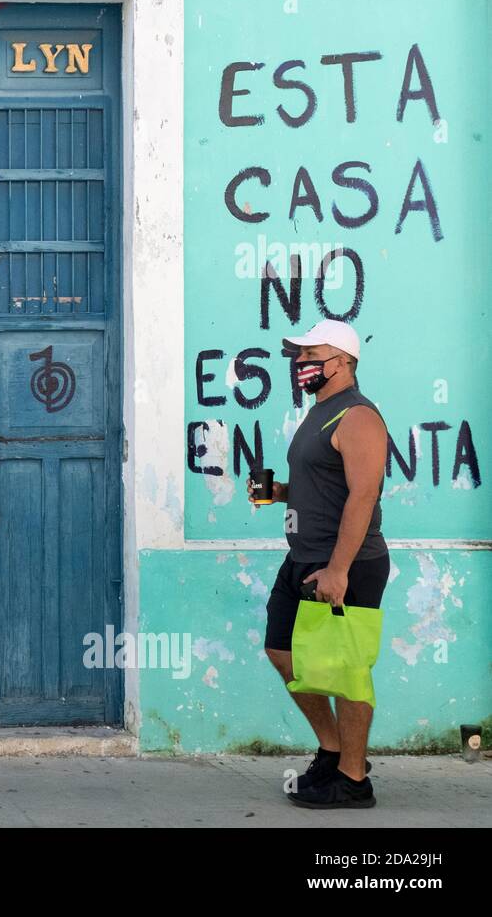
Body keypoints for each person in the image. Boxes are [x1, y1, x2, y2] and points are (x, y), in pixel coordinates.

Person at [249, 319, 389, 810]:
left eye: (312, 353)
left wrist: (339, 569)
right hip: (302, 560)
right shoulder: (320, 413)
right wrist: (281, 495)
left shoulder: (358, 418)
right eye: (298, 354)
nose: (301, 362)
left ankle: (353, 780)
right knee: (281, 651)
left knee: (348, 670)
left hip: (346, 564)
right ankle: (333, 750)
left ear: (344, 361)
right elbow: (324, 483)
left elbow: (364, 495)